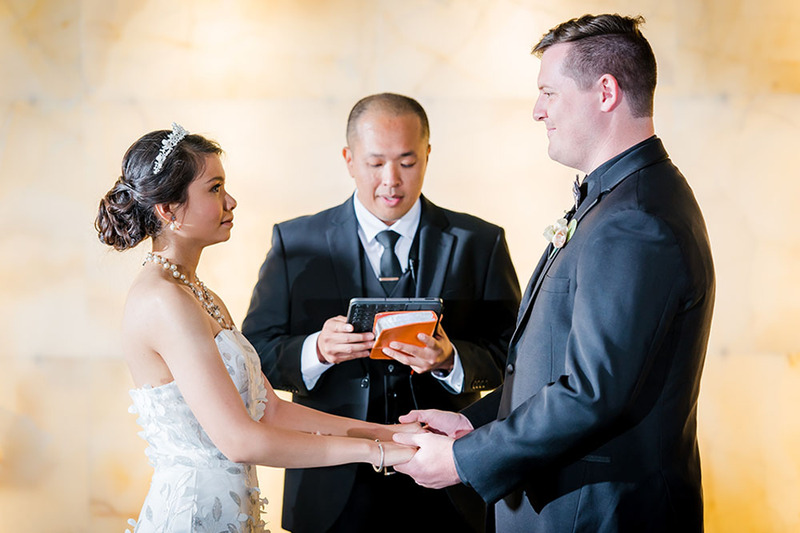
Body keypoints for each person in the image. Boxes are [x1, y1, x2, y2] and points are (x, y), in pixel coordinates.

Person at [393, 14, 716, 533]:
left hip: (595, 513)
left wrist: (463, 460)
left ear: (605, 91)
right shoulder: (620, 198)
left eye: (549, 92)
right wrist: (472, 424)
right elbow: (555, 367)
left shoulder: (634, 220)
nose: (537, 111)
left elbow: (593, 392)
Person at [95, 123, 417, 533]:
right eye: (214, 189)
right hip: (195, 518)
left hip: (234, 512)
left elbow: (271, 408)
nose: (230, 201)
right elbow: (241, 441)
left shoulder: (196, 291)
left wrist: (389, 433)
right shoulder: (163, 299)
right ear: (168, 210)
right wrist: (374, 453)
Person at [241, 93, 521, 532]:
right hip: (330, 487)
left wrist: (452, 361)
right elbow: (254, 353)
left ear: (428, 154)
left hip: (447, 489)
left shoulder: (480, 243)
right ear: (349, 159)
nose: (391, 180)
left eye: (407, 163)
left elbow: (515, 355)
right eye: (375, 164)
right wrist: (317, 350)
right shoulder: (293, 243)